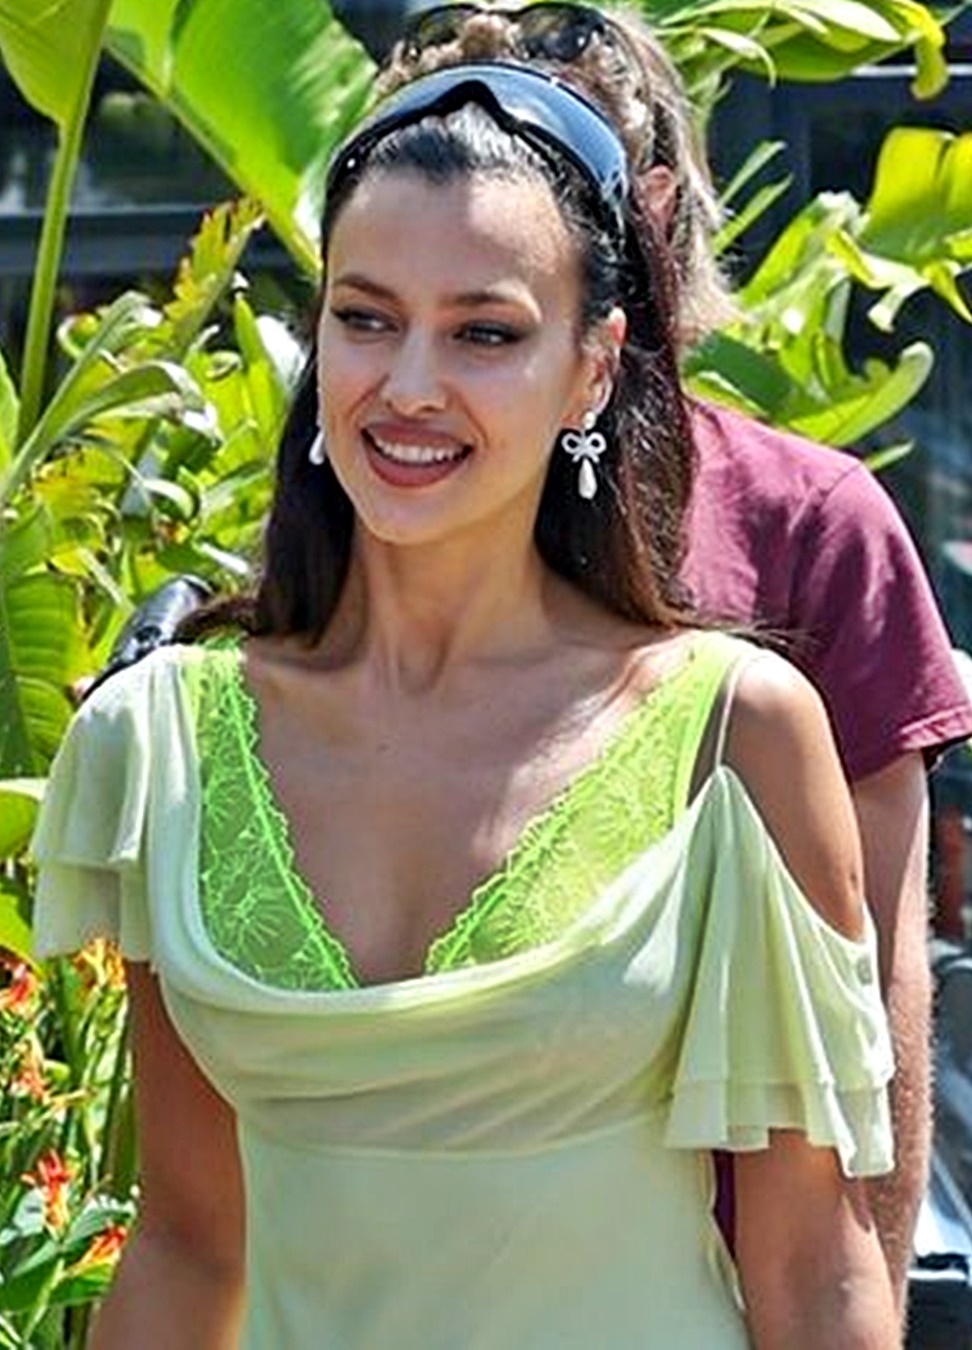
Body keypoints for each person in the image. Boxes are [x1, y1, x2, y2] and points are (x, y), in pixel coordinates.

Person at [32, 59, 899, 1347]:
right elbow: (189, 1243)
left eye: (485, 332)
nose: (409, 386)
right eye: (366, 318)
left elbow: (816, 1269)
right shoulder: (161, 742)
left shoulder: (735, 733)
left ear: (593, 369)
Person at [376, 2, 972, 1305]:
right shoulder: (372, 517)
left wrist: (860, 1297)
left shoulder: (807, 523)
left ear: (646, 206)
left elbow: (876, 987)